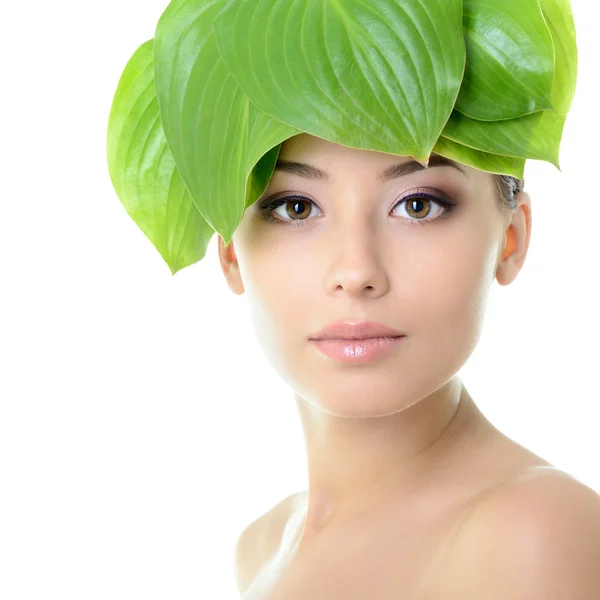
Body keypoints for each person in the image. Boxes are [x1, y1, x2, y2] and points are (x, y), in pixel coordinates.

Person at [217, 132, 600, 598]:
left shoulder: (537, 536)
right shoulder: (259, 548)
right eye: (296, 207)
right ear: (230, 253)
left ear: (510, 239)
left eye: (418, 205)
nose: (356, 272)